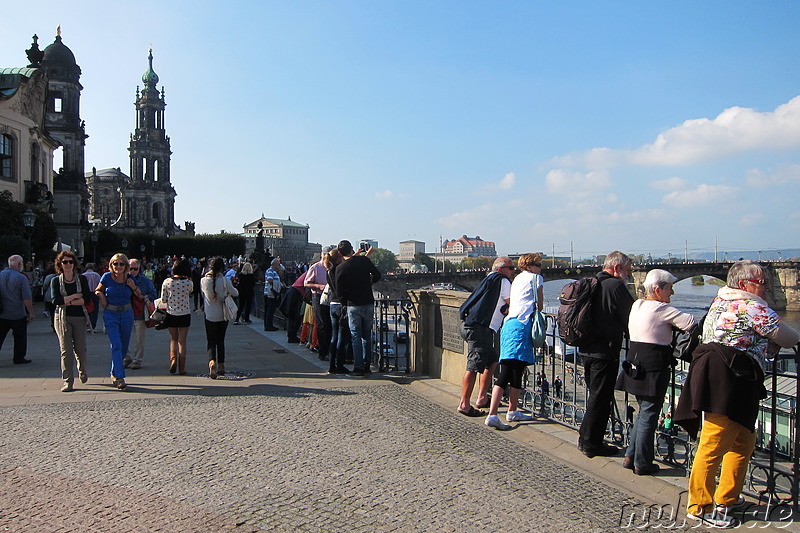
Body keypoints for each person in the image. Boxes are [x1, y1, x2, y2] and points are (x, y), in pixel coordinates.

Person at [676, 260, 799, 528]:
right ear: (744, 285)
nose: (766, 288)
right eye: (762, 283)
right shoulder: (750, 305)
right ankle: (700, 506)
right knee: (713, 444)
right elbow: (789, 338)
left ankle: (727, 498)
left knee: (742, 442)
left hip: (724, 377)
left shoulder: (719, 300)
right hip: (729, 380)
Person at [615, 269, 695, 476]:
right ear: (657, 289)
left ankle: (630, 456)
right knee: (649, 414)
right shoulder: (661, 309)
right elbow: (691, 323)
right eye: (670, 288)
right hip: (654, 366)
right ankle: (642, 462)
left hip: (634, 363)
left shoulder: (637, 305)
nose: (672, 293)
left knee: (643, 412)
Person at [578, 251, 634, 457]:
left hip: (585, 347)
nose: (629, 274)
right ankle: (592, 444)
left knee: (594, 396)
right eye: (627, 270)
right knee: (601, 399)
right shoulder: (616, 286)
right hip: (605, 349)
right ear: (617, 268)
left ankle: (585, 438)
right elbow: (631, 316)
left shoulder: (590, 282)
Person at [485, 253, 542, 429]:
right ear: (531, 266)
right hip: (521, 326)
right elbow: (540, 304)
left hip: (509, 325)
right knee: (507, 373)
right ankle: (493, 414)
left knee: (516, 371)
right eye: (539, 264)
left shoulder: (516, 279)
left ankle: (512, 411)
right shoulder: (536, 278)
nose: (541, 267)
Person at [457, 257, 513, 416]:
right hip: (480, 328)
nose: (513, 271)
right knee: (473, 366)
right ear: (501, 270)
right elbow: (512, 303)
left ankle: (482, 398)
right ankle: (464, 404)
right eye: (511, 268)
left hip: (472, 326)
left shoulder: (489, 278)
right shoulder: (503, 281)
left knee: (492, 360)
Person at [95, 253, 144, 390]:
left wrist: (133, 286)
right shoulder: (106, 277)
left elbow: (139, 294)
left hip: (127, 313)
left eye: (121, 264)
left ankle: (113, 372)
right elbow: (98, 290)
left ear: (126, 266)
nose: (118, 266)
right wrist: (102, 298)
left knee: (123, 346)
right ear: (111, 265)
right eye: (115, 264)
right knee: (116, 345)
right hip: (111, 313)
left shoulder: (130, 278)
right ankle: (120, 377)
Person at [333, 241, 381, 376]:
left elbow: (339, 291)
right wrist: (369, 283)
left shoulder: (340, 268)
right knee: (367, 335)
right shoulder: (364, 261)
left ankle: (358, 367)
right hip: (368, 302)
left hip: (352, 304)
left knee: (355, 337)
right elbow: (377, 275)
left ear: (340, 253)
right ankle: (367, 366)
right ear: (352, 249)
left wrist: (344, 303)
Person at [50, 250, 92, 392]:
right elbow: (56, 301)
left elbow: (86, 299)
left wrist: (66, 301)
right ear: (60, 264)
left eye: (70, 262)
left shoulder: (82, 279)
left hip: (79, 317)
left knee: (80, 348)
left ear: (74, 264)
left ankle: (82, 369)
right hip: (61, 318)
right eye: (65, 262)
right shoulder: (55, 281)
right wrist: (74, 296)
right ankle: (68, 381)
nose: (68, 264)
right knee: (66, 350)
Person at [202, 257, 238, 379]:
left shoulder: (203, 280)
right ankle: (221, 365)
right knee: (220, 341)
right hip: (222, 315)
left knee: (211, 341)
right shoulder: (224, 280)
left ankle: (212, 362)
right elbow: (235, 293)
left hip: (209, 315)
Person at [0, 255, 35, 364]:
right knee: (20, 337)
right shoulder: (21, 278)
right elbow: (26, 297)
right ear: (19, 264)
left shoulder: (0, 275)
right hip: (17, 313)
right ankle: (19, 357)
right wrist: (31, 312)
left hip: (1, 313)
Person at [161, 259, 193, 375]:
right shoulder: (188, 282)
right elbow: (190, 292)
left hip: (171, 313)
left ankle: (173, 359)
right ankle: (182, 367)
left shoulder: (167, 282)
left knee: (173, 339)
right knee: (182, 342)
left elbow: (164, 299)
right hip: (184, 313)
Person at [125, 258, 157, 370]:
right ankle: (126, 357)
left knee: (140, 339)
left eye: (135, 269)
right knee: (123, 337)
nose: (133, 271)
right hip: (125, 312)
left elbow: (153, 293)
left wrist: (145, 297)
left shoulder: (145, 281)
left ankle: (137, 360)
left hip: (139, 312)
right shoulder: (122, 280)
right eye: (130, 268)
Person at [325, 249, 350, 374]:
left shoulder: (329, 271)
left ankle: (331, 365)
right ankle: (339, 365)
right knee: (341, 336)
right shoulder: (341, 270)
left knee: (334, 337)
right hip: (341, 304)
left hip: (332, 304)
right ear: (339, 257)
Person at [305, 250, 332, 361]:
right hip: (318, 296)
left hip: (330, 297)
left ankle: (330, 350)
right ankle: (323, 352)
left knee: (329, 324)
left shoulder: (332, 266)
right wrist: (318, 286)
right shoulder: (315, 267)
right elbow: (306, 283)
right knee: (321, 324)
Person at [263, 258, 282, 331]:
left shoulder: (274, 271)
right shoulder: (270, 271)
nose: (279, 266)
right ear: (274, 264)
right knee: (270, 310)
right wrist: (278, 285)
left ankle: (268, 325)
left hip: (269, 293)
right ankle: (268, 326)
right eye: (278, 264)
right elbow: (270, 280)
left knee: (269, 310)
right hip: (270, 293)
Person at [82, 263, 101, 332]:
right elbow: (100, 284)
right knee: (95, 309)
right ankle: (93, 325)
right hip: (94, 292)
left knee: (86, 309)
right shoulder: (96, 275)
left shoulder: (83, 275)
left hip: (85, 293)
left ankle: (87, 324)